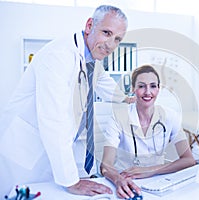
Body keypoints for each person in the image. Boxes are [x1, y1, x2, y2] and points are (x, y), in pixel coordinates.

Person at [0, 5, 134, 197]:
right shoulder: (58, 56)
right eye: (107, 33)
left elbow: (107, 86)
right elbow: (54, 121)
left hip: (47, 153)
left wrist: (130, 99)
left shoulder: (92, 60)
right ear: (89, 25)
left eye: (117, 39)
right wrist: (71, 181)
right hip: (23, 152)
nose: (111, 44)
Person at [100, 64, 196, 199]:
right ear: (133, 89)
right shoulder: (118, 118)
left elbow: (189, 160)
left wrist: (150, 170)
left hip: (158, 182)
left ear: (159, 88)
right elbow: (105, 164)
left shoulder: (170, 116)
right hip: (126, 181)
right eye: (141, 86)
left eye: (153, 86)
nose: (147, 92)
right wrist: (118, 179)